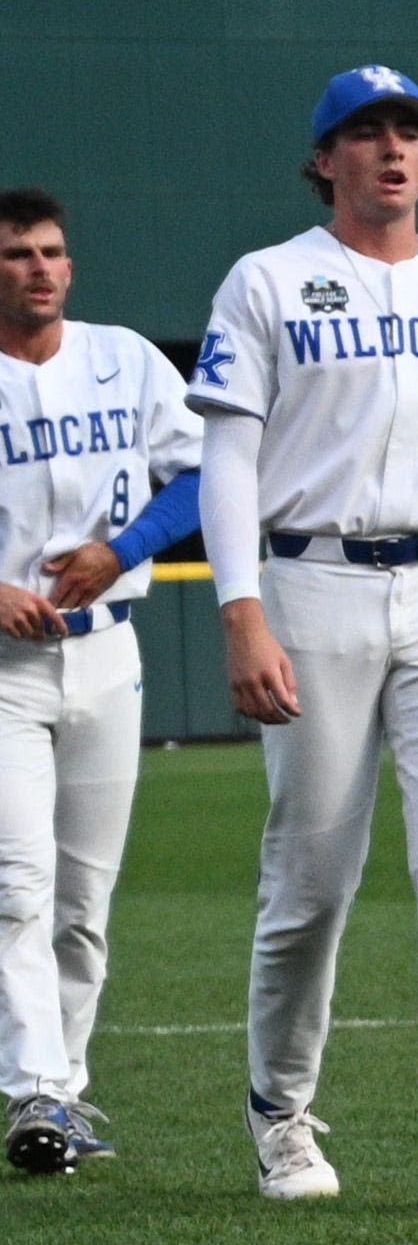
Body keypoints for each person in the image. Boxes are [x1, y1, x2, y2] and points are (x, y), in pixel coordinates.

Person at [191, 67, 418, 1208]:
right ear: (323, 158)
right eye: (366, 132)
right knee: (312, 877)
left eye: (410, 131)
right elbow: (227, 455)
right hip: (312, 581)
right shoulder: (268, 279)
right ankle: (281, 1109)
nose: (393, 149)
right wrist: (241, 607)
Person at [0, 190, 201, 1177]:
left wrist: (122, 548)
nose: (37, 267)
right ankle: (33, 1085)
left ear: (69, 266)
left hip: (106, 647)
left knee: (82, 900)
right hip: (2, 672)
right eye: (15, 254)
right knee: (16, 885)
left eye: (50, 251)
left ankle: (60, 1097)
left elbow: (204, 474)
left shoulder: (123, 358)